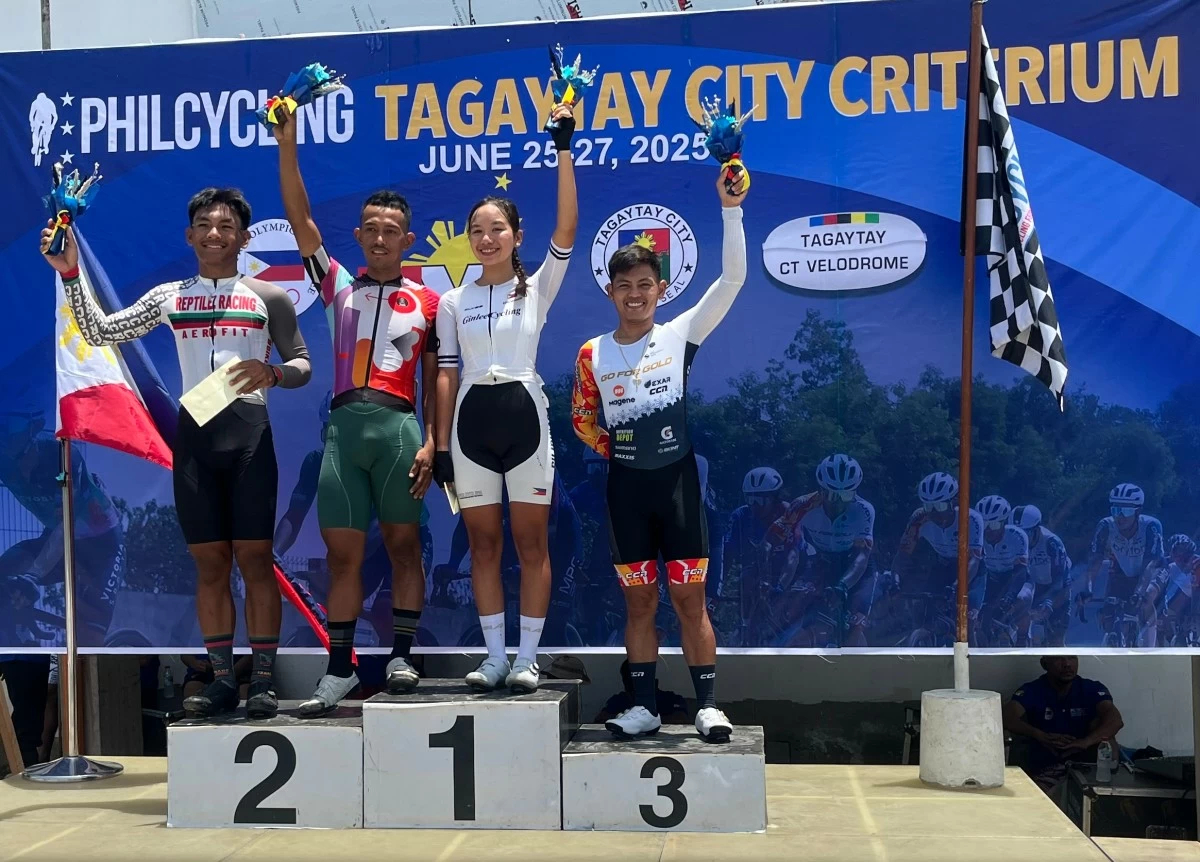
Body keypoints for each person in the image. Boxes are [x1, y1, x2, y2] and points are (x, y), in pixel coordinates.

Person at [41, 189, 313, 720]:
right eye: (206, 225)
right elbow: (99, 332)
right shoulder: (170, 296)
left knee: (255, 561)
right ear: (190, 237)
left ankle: (261, 680)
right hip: (195, 443)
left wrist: (274, 373)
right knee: (209, 565)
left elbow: (302, 362)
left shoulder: (267, 297)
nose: (216, 233)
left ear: (244, 236)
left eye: (227, 225)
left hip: (250, 439)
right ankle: (217, 680)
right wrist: (71, 274)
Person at [272, 103, 441, 716]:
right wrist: (288, 144)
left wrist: (433, 444)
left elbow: (434, 378)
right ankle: (339, 668)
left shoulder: (431, 302)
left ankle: (400, 655)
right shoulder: (338, 284)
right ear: (360, 235)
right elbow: (299, 219)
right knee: (342, 555)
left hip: (399, 429)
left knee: (403, 548)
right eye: (370, 227)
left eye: (390, 229)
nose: (378, 236)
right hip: (344, 428)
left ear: (407, 238)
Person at [572, 169, 745, 741]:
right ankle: (643, 706)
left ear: (660, 289)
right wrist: (615, 447)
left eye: (645, 284)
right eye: (625, 286)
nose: (636, 294)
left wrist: (730, 210)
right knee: (640, 603)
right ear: (611, 292)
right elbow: (580, 418)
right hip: (627, 491)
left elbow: (734, 279)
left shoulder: (680, 334)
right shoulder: (591, 353)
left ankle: (709, 706)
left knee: (689, 598)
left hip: (677, 487)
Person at [433, 103, 578, 694]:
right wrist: (439, 444)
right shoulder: (451, 301)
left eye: (497, 229)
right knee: (482, 544)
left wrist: (563, 147)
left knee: (531, 543)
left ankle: (527, 658)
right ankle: (493, 656)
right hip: (470, 423)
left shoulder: (538, 285)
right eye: (477, 231)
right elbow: (445, 372)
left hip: (525, 416)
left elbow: (568, 227)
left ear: (516, 236)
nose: (486, 238)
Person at [272, 391, 434, 647]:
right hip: (365, 544)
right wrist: (274, 556)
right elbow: (294, 516)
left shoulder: (379, 451)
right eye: (330, 431)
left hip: (400, 538)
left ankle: (402, 653)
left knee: (384, 610)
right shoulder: (316, 461)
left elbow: (382, 528)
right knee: (331, 595)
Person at [0, 411, 125, 646]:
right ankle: (18, 637)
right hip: (58, 535)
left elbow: (67, 523)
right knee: (4, 573)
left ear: (32, 438)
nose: (22, 470)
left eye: (24, 458)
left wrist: (32, 576)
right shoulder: (5, 463)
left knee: (89, 637)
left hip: (102, 546)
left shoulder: (62, 458)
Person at [762, 455, 876, 647]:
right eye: (832, 495)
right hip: (822, 561)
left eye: (847, 495)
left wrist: (843, 586)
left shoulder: (864, 510)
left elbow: (861, 557)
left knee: (856, 623)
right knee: (792, 604)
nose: (839, 502)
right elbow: (770, 540)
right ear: (821, 490)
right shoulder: (803, 505)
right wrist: (765, 570)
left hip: (855, 565)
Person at [887, 472, 983, 647]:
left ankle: (974, 663)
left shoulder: (971, 519)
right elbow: (902, 555)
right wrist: (895, 581)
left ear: (952, 502)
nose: (933, 513)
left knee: (968, 621)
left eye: (938, 506)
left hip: (972, 570)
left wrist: (956, 587)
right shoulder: (919, 518)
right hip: (944, 565)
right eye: (928, 505)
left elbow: (974, 561)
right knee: (921, 611)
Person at [1003, 656, 1124, 793]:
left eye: (1071, 658)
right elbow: (1006, 717)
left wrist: (1086, 742)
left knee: (1106, 734)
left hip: (1086, 767)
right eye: (1058, 659)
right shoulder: (1033, 690)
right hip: (1046, 766)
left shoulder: (1091, 688)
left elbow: (1116, 721)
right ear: (1044, 664)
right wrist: (1040, 735)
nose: (1067, 664)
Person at [1079, 483, 1166, 648]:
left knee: (1146, 598)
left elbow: (1151, 565)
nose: (1120, 517)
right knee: (1109, 611)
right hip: (1124, 570)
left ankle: (1150, 649)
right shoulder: (1105, 525)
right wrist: (1088, 589)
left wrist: (1139, 592)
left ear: (1138, 511)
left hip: (1154, 569)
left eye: (1126, 511)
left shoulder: (1151, 526)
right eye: (1115, 510)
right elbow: (1095, 560)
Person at [725, 467, 787, 645]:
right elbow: (727, 555)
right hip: (754, 578)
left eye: (760, 500)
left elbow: (795, 557)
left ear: (775, 498)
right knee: (747, 576)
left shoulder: (787, 514)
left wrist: (781, 587)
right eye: (750, 498)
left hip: (785, 575)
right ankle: (744, 628)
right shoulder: (740, 516)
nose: (754, 505)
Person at [970, 495, 1029, 647]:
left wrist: (1009, 597)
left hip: (1016, 577)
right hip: (992, 577)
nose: (988, 530)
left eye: (994, 524)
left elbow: (1020, 572)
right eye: (985, 524)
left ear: (1004, 522)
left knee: (1021, 599)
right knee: (981, 617)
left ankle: (1021, 635)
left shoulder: (1017, 536)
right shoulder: (976, 535)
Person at [1010, 505, 1072, 647]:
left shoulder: (1052, 542)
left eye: (1026, 533)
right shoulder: (1014, 542)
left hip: (1057, 585)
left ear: (1037, 529)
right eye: (1017, 533)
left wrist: (1049, 602)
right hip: (1032, 586)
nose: (1022, 539)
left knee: (1056, 638)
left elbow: (1060, 580)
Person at [594, 660, 689, 726]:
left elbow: (682, 720)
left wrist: (648, 720)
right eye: (630, 680)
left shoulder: (670, 698)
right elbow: (599, 721)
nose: (636, 685)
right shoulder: (619, 700)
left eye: (643, 680)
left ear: (654, 681)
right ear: (624, 682)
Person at [1162, 534, 1200, 646]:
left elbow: (1196, 593)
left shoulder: (1197, 564)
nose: (1184, 561)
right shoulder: (1170, 566)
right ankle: (1176, 636)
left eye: (1187, 556)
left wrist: (1194, 614)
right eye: (1179, 556)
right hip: (1188, 596)